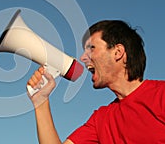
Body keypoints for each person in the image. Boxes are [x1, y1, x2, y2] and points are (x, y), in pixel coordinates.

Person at [27, 20, 165, 144]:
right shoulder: (101, 119)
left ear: (118, 52)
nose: (83, 57)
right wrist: (41, 101)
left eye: (91, 48)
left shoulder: (161, 95)